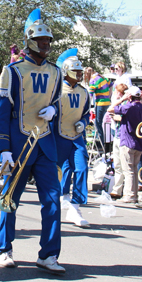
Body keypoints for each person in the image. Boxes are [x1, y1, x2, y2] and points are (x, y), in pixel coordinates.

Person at [0, 8, 64, 273]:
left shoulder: (56, 72)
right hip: (19, 142)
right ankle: (4, 248)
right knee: (10, 197)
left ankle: (48, 254)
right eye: (40, 40)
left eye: (48, 40)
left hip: (45, 142)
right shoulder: (12, 71)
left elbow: (57, 100)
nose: (45, 44)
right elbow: (2, 111)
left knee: (53, 200)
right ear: (30, 42)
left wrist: (54, 109)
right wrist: (3, 148)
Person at [54, 49, 90, 228]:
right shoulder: (56, 91)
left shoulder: (84, 92)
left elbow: (87, 114)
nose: (80, 74)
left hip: (76, 137)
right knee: (59, 172)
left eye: (80, 71)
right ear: (66, 71)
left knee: (82, 168)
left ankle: (75, 207)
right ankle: (57, 203)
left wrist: (83, 122)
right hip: (58, 136)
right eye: (76, 71)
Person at [112, 86, 142, 206]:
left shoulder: (128, 107)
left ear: (130, 96)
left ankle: (129, 195)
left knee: (128, 170)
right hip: (139, 141)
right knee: (134, 169)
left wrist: (122, 99)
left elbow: (111, 109)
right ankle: (134, 194)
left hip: (127, 141)